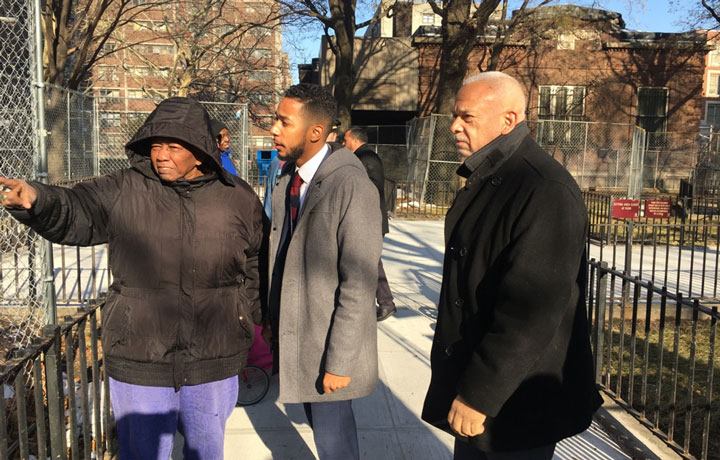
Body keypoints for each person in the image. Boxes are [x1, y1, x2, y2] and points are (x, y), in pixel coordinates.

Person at [0, 97, 265, 460]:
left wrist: (253, 319)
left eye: (174, 146)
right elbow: (78, 208)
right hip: (140, 355)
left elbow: (254, 264)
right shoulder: (123, 188)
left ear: (200, 151)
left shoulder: (239, 199)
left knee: (206, 452)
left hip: (213, 355)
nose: (161, 155)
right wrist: (37, 200)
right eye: (156, 145)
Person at [421, 72, 602, 459]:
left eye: (467, 117)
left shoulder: (543, 188)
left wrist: (477, 395)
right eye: (456, 116)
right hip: (482, 388)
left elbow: (531, 311)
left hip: (514, 402)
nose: (454, 126)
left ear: (508, 120)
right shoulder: (492, 176)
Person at [264, 83, 382, 460]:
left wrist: (341, 361)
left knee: (335, 445)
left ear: (315, 132)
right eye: (275, 120)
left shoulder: (351, 185)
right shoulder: (288, 178)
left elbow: (359, 283)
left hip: (329, 346)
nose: (274, 129)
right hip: (297, 335)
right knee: (323, 434)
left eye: (284, 122)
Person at [342, 126, 396, 321]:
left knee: (371, 262)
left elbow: (370, 191)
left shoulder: (366, 159)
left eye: (345, 139)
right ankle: (383, 302)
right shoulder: (365, 157)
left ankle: (386, 302)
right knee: (370, 261)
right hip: (368, 220)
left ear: (355, 140)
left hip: (368, 221)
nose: (343, 143)